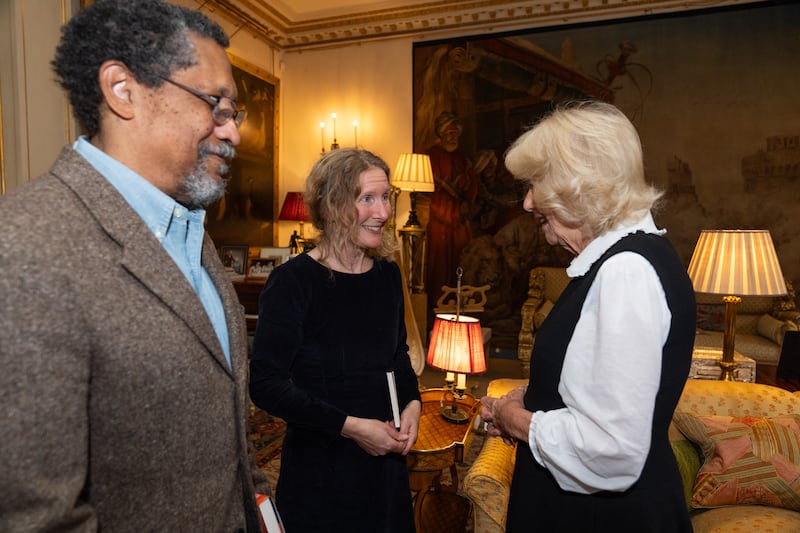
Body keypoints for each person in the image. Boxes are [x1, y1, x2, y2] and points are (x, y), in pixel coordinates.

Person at [0, 1, 271, 530]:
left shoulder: (192, 231)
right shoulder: (24, 245)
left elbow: (232, 443)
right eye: (215, 104)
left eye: (233, 112)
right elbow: (35, 516)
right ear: (123, 90)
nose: (233, 131)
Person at [480, 101, 696, 532]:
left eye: (536, 183)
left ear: (576, 184)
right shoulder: (624, 261)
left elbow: (611, 449)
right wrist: (530, 396)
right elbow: (599, 383)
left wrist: (517, 422)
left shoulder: (625, 272)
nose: (526, 203)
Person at [249, 148, 421, 532]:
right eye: (367, 199)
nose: (383, 212)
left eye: (385, 197)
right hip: (321, 471)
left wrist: (412, 404)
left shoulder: (388, 275)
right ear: (332, 205)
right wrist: (353, 427)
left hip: (386, 471)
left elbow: (397, 355)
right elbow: (265, 384)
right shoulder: (292, 282)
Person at [425, 111, 479, 313]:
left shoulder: (462, 157)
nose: (452, 135)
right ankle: (438, 302)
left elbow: (472, 182)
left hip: (458, 214)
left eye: (455, 132)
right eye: (448, 132)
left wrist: (467, 194)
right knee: (439, 258)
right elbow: (430, 183)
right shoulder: (432, 155)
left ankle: (461, 301)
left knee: (462, 254)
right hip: (440, 213)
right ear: (441, 134)